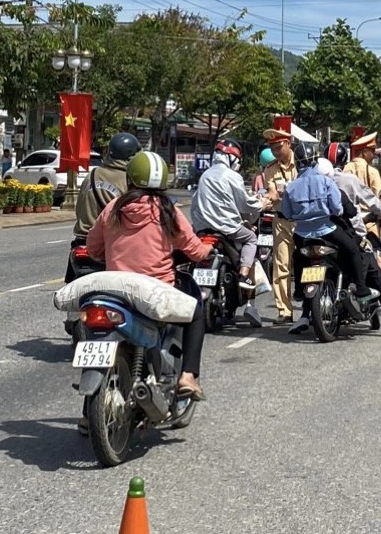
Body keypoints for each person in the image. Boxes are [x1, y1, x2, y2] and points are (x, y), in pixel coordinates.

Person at [87, 151, 213, 399]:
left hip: (116, 291)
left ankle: (85, 415)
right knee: (196, 314)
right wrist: (207, 250)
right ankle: (188, 376)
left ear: (130, 177)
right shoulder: (167, 210)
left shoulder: (114, 208)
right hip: (156, 292)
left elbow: (93, 248)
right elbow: (194, 249)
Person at [289, 153, 381, 334]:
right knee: (371, 266)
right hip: (340, 235)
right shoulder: (335, 185)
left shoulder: (299, 186)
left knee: (302, 259)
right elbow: (348, 209)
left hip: (307, 238)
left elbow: (287, 211)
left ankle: (304, 313)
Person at [281, 143, 379, 308]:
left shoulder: (291, 187)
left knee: (298, 257)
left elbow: (287, 214)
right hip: (327, 230)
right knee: (354, 251)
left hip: (302, 234)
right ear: (315, 161)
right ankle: (361, 290)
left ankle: (298, 290)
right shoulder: (326, 181)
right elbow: (337, 208)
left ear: (297, 163)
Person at [191, 138, 270, 295]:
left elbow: (196, 202)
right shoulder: (232, 176)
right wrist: (261, 205)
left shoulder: (205, 175)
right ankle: (244, 274)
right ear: (232, 159)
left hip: (202, 228)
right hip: (226, 228)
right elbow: (244, 204)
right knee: (251, 238)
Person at [66, 132, 141, 284]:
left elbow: (79, 209)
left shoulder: (92, 175)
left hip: (82, 242)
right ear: (131, 157)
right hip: (111, 244)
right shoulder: (130, 180)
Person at [262, 126, 298, 324]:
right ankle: (285, 310)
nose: (275, 151)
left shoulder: (301, 162)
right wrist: (268, 197)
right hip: (281, 220)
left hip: (303, 222)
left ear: (288, 144)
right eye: (272, 147)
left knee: (307, 264)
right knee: (281, 266)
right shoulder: (270, 169)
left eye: (278, 146)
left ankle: (312, 307)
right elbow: (272, 192)